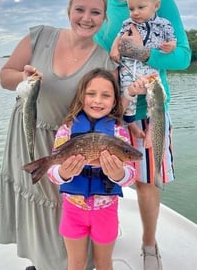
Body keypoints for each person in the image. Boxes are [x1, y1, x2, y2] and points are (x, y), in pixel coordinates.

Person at [0, 0, 118, 270]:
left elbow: (111, 106)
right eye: (80, 9)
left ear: (104, 19)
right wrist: (23, 79)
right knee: (31, 199)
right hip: (26, 134)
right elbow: (5, 76)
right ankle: (39, 262)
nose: (86, 18)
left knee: (64, 206)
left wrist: (132, 124)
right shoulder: (39, 37)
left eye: (95, 12)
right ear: (68, 10)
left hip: (67, 144)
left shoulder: (105, 61)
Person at [93, 0, 191, 270]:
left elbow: (183, 57)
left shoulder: (159, 0)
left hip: (150, 105)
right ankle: (100, 239)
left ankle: (149, 246)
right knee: (101, 173)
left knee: (148, 181)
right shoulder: (97, 3)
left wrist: (144, 53)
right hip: (105, 107)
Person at [46, 68, 136, 270]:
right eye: (91, 94)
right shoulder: (67, 129)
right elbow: (53, 172)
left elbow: (130, 174)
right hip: (72, 210)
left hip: (106, 210)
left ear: (114, 102)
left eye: (106, 95)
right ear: (81, 97)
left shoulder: (118, 131)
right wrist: (64, 173)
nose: (98, 100)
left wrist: (118, 174)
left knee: (104, 263)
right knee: (76, 264)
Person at [110, 0, 176, 139]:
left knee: (156, 95)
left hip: (150, 69)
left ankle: (154, 125)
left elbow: (172, 39)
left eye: (141, 7)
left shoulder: (164, 24)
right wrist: (114, 49)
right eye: (131, 9)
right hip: (128, 67)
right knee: (127, 94)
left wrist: (171, 45)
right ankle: (131, 123)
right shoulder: (128, 23)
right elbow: (118, 37)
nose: (135, 13)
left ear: (156, 6)